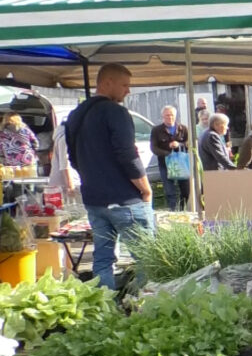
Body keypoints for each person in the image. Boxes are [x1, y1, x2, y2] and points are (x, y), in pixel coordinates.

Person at [66, 64, 153, 289]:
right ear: (107, 83)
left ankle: (105, 307)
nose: (128, 91)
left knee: (103, 258)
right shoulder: (116, 112)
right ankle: (144, 307)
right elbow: (128, 154)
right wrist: (145, 188)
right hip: (125, 200)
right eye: (124, 85)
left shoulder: (76, 115)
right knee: (147, 257)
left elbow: (73, 157)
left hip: (94, 200)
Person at [150, 105, 190, 211]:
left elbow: (189, 143)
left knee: (186, 191)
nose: (169, 117)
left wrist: (179, 145)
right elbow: (153, 148)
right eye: (167, 115)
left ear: (175, 116)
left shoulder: (183, 128)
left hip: (182, 164)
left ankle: (182, 210)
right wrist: (167, 153)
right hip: (165, 164)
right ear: (162, 116)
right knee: (170, 191)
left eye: (171, 115)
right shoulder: (156, 130)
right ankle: (174, 212)